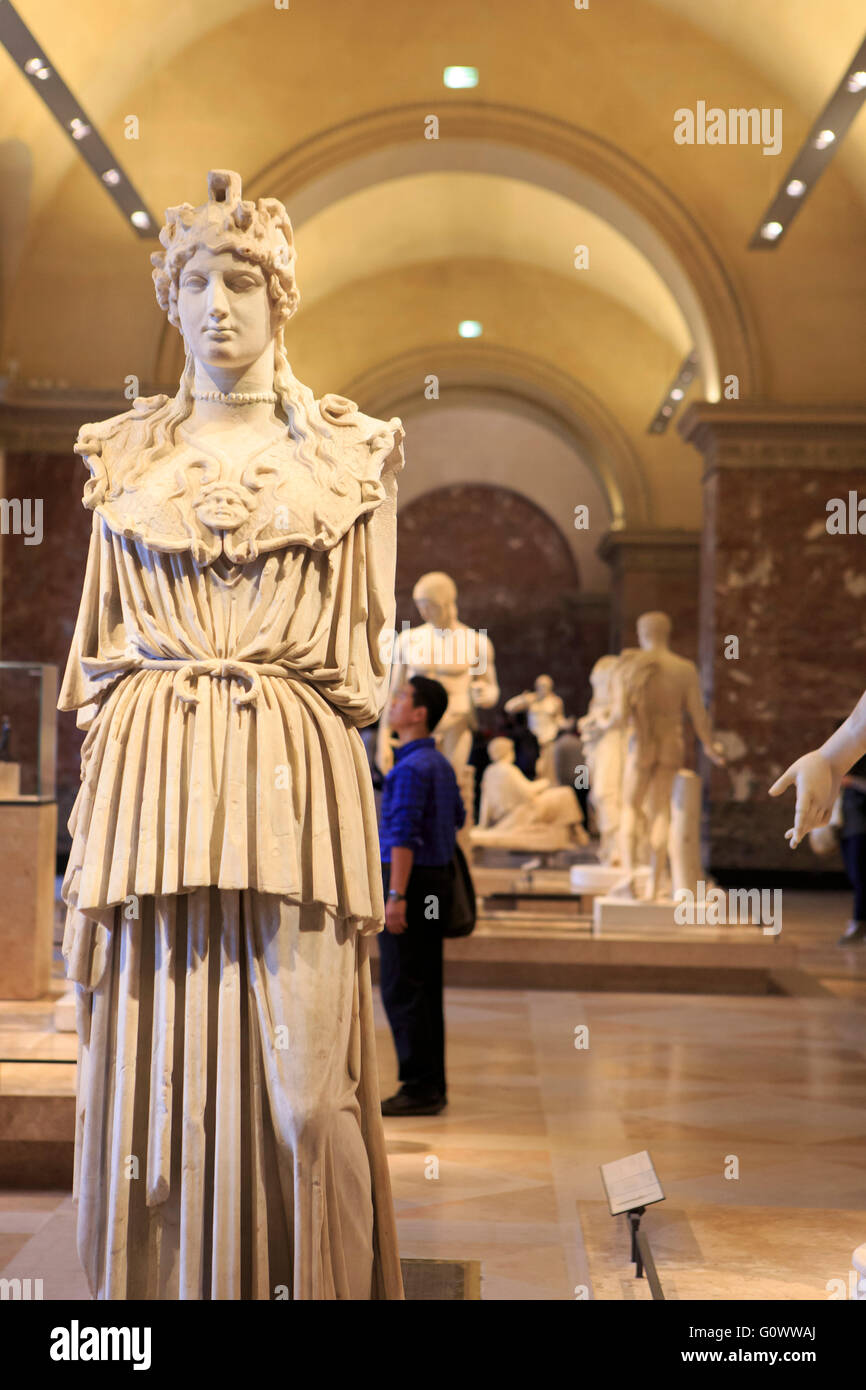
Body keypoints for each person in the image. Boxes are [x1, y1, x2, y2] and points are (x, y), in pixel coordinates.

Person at [378, 675, 465, 1116]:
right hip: (434, 883)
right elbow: (458, 816)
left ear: (419, 713)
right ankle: (431, 1084)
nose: (392, 703)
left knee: (403, 985)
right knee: (426, 986)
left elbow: (403, 835)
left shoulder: (411, 767)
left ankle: (418, 1086)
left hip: (410, 884)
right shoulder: (440, 764)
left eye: (401, 698)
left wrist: (396, 894)